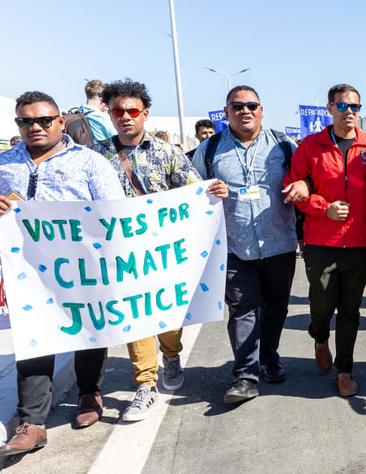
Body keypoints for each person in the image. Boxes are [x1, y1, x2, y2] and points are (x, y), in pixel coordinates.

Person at [93, 79, 228, 421]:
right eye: (118, 111)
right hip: (119, 256)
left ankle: (171, 355)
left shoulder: (167, 153)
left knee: (167, 315)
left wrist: (215, 192)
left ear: (145, 114)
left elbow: (194, 193)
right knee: (134, 316)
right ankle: (145, 384)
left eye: (132, 110)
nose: (125, 117)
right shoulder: (96, 156)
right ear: (109, 114)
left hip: (163, 255)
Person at [0, 91, 125, 456]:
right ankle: (32, 422)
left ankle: (89, 394)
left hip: (82, 265)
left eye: (42, 120)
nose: (35, 127)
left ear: (59, 121)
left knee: (88, 331)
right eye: (26, 121)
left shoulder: (89, 162)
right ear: (18, 125)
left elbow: (114, 210)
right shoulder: (5, 164)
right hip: (28, 270)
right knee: (34, 339)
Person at [193, 85, 302, 404]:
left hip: (279, 244)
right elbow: (191, 190)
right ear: (226, 113)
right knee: (243, 309)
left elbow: (305, 178)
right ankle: (244, 376)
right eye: (237, 106)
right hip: (233, 246)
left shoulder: (283, 144)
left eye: (251, 105)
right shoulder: (210, 149)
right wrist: (208, 191)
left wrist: (301, 183)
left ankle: (268, 356)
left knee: (276, 307)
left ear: (262, 110)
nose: (245, 111)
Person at [284, 84, 366, 397]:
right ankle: (319, 337)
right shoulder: (311, 146)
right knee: (323, 305)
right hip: (320, 242)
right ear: (330, 108)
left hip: (359, 241)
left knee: (351, 310)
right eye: (342, 106)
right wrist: (322, 208)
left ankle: (345, 369)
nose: (349, 112)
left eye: (355, 106)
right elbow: (292, 188)